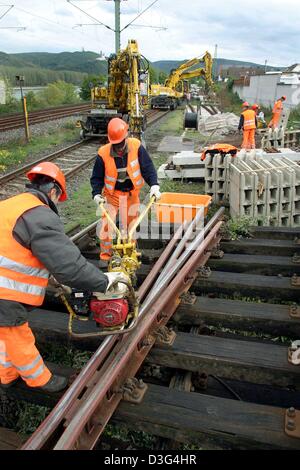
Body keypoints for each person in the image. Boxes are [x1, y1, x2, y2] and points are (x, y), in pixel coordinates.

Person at [0, 162, 126, 392]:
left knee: (3, 335)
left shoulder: (10, 205)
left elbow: (15, 250)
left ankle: (6, 376)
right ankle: (40, 380)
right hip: (4, 293)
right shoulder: (39, 214)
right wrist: (104, 282)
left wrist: (52, 279)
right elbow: (70, 267)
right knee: (17, 335)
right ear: (53, 191)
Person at [91, 117, 161, 261]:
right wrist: (96, 194)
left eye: (121, 143)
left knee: (131, 226)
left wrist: (154, 185)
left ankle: (130, 255)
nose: (119, 147)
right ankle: (106, 257)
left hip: (131, 194)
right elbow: (96, 177)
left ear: (126, 137)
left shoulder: (136, 146)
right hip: (112, 195)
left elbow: (147, 168)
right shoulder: (103, 153)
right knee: (107, 226)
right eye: (115, 144)